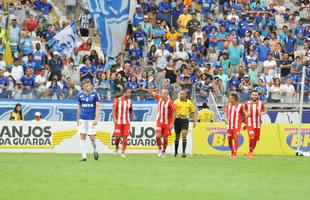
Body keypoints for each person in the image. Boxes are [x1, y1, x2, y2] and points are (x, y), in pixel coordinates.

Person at [77, 79, 101, 162]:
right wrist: (77, 118)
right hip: (82, 118)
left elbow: (98, 107)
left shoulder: (95, 94)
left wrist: (96, 119)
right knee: (82, 135)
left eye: (89, 85)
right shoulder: (80, 95)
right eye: (86, 85)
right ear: (83, 86)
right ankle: (84, 156)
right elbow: (79, 107)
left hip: (91, 119)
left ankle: (95, 149)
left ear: (91, 86)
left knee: (92, 137)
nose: (88, 87)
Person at [149, 86, 176, 158]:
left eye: (164, 93)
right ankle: (160, 149)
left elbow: (174, 112)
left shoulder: (170, 102)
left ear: (167, 94)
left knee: (165, 138)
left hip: (167, 123)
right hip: (159, 122)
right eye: (162, 93)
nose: (162, 94)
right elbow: (151, 92)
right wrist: (150, 82)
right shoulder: (159, 98)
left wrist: (172, 123)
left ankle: (164, 150)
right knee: (157, 136)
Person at [112, 88, 136, 158]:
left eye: (130, 93)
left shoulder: (129, 101)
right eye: (128, 93)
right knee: (117, 137)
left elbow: (130, 110)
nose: (129, 94)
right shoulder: (117, 100)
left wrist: (133, 115)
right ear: (124, 93)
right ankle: (116, 148)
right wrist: (114, 119)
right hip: (118, 122)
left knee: (125, 137)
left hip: (126, 122)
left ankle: (123, 152)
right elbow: (113, 110)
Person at [243, 90, 267, 160]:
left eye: (256, 95)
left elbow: (265, 111)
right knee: (252, 137)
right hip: (249, 122)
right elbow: (244, 110)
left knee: (256, 139)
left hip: (257, 124)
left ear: (258, 96)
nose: (254, 96)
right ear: (251, 96)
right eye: (253, 95)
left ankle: (251, 151)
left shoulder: (261, 103)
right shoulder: (247, 103)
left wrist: (261, 113)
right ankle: (250, 152)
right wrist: (246, 114)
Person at [174, 90, 196, 157]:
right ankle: (176, 152)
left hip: (185, 120)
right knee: (177, 136)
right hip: (177, 120)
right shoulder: (176, 102)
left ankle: (183, 152)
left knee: (184, 134)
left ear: (185, 95)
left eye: (182, 94)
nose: (181, 95)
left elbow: (192, 112)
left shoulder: (189, 102)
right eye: (180, 94)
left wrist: (194, 121)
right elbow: (172, 111)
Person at [224, 93, 244, 159]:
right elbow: (226, 114)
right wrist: (225, 119)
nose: (229, 99)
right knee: (229, 141)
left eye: (230, 98)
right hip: (230, 126)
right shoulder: (227, 106)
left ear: (234, 99)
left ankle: (234, 154)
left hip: (237, 126)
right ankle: (232, 151)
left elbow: (245, 115)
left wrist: (245, 124)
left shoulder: (240, 106)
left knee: (236, 138)